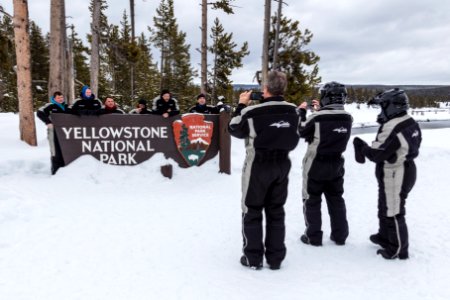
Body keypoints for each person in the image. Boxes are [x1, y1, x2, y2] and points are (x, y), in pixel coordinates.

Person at [228, 71, 301, 270]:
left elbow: (233, 128)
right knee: (276, 210)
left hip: (258, 165)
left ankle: (253, 257)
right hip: (282, 164)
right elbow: (297, 132)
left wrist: (241, 105)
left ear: (265, 89)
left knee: (251, 209)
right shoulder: (294, 111)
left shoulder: (253, 113)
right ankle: (275, 257)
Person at [353, 88, 422, 260]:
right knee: (385, 205)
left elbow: (377, 154)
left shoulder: (392, 127)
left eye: (382, 107)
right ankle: (385, 236)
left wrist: (362, 147)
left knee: (394, 210)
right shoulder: (409, 121)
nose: (381, 111)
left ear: (392, 107)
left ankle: (397, 248)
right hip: (404, 168)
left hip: (396, 173)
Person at [298, 81, 353, 247]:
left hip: (316, 163)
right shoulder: (348, 117)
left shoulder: (317, 118)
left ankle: (313, 236)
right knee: (336, 198)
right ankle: (340, 235)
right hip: (336, 163)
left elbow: (301, 130)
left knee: (311, 199)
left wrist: (301, 111)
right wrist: (320, 111)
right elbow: (329, 125)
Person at [37, 91, 71, 175]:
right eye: (58, 98)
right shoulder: (50, 106)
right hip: (53, 132)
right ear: (54, 98)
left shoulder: (67, 107)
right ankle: (55, 172)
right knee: (55, 151)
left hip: (65, 132)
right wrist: (48, 122)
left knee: (65, 150)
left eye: (61, 98)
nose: (60, 99)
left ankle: (65, 171)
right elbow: (39, 112)